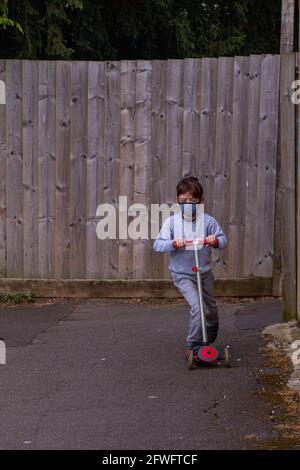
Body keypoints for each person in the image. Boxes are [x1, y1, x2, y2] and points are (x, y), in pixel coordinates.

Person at [153, 176, 228, 358]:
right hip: (182, 274)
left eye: (193, 201)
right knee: (198, 308)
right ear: (177, 200)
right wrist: (173, 243)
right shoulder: (172, 223)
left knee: (211, 309)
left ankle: (209, 335)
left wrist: (214, 240)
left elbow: (223, 240)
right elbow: (157, 245)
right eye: (184, 201)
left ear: (201, 201)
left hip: (204, 273)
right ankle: (193, 344)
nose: (188, 204)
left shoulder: (208, 222)